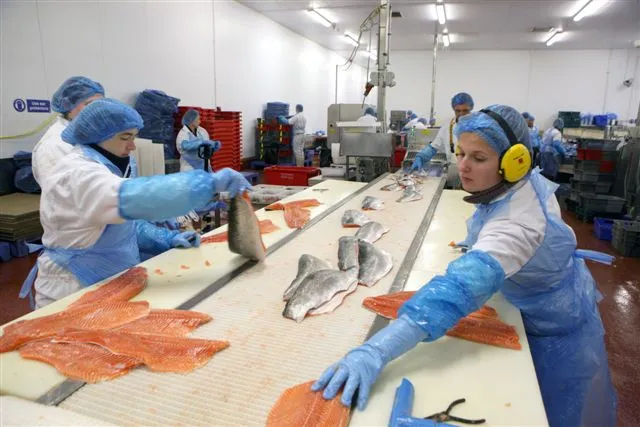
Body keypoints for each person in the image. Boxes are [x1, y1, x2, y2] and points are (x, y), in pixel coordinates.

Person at [312, 104, 616, 427]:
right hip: (535, 300)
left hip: (550, 328)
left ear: (515, 163)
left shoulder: (518, 223)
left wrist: (375, 351)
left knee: (542, 411)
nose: (463, 166)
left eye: (478, 158)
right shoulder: (519, 186)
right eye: (461, 153)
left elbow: (454, 293)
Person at [24, 99, 251, 308]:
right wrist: (208, 184)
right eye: (126, 138)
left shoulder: (104, 167)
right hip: (72, 288)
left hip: (105, 283)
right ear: (98, 136)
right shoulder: (78, 174)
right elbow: (138, 198)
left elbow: (124, 225)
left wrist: (166, 238)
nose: (132, 146)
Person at [32, 76, 105, 185]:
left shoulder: (90, 135)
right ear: (69, 108)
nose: (98, 110)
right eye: (90, 104)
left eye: (101, 104)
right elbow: (60, 189)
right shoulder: (54, 145)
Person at [411, 92, 474, 188]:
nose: (461, 114)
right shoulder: (447, 126)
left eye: (465, 110)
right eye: (458, 111)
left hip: (473, 170)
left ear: (471, 108)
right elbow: (434, 146)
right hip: (454, 169)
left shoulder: (479, 125)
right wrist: (421, 156)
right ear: (453, 109)